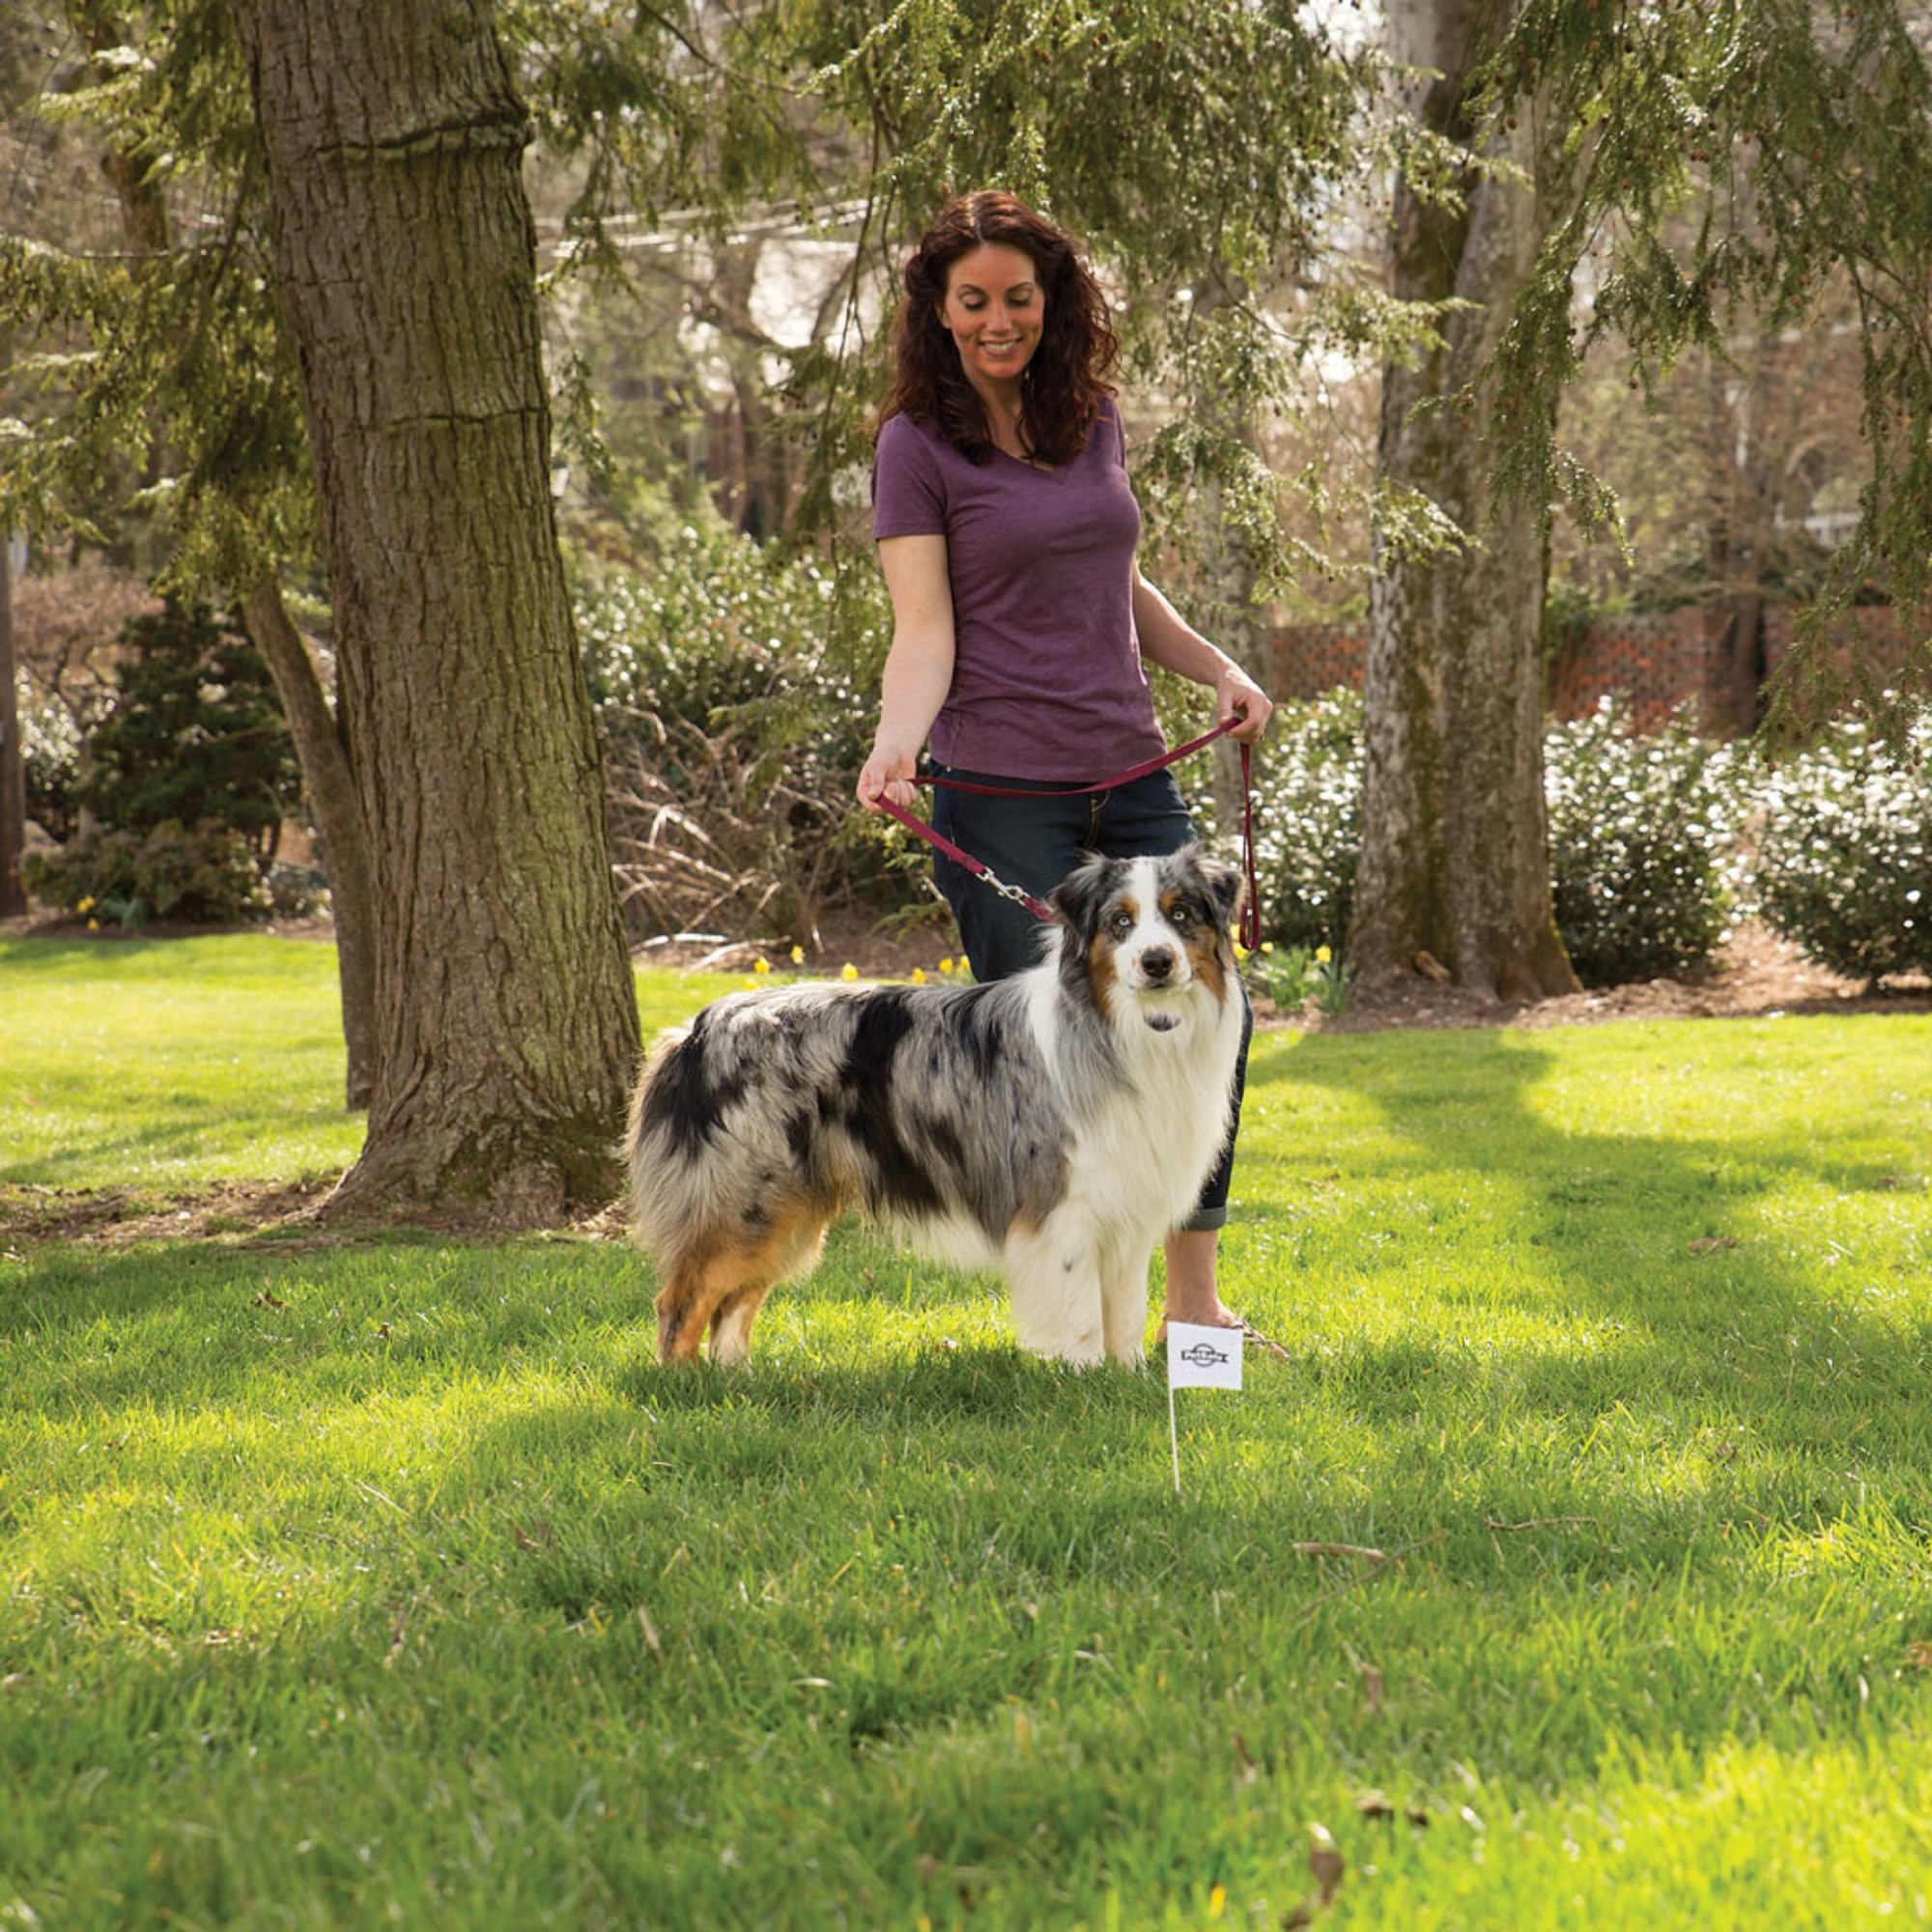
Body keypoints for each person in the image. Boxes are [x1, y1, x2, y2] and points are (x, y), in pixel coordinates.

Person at [855, 188, 1275, 1347]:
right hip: (1002, 790)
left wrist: (1217, 669)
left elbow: (1116, 584)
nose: (999, 320)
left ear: (1054, 301)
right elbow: (924, 628)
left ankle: (1193, 1311)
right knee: (1050, 1069)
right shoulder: (914, 447)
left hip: (1131, 770)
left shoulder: (1092, 417)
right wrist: (898, 744)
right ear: (937, 315)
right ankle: (1066, 1333)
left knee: (1201, 1023)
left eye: (1018, 297)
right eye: (973, 301)